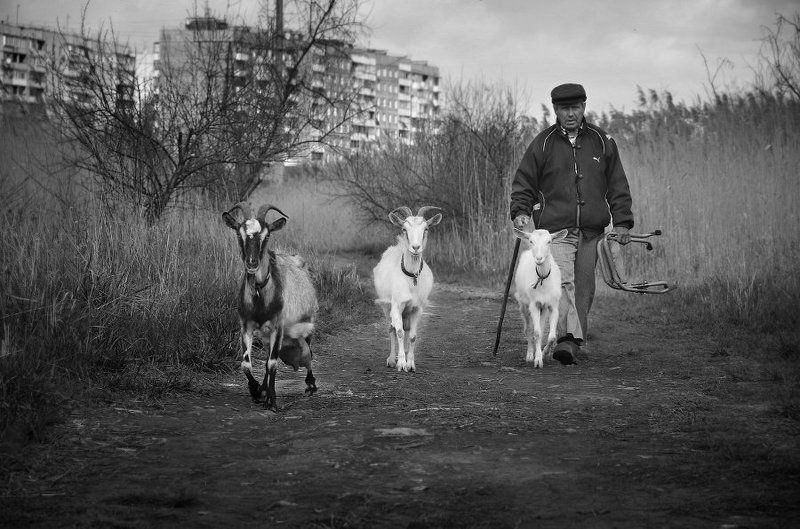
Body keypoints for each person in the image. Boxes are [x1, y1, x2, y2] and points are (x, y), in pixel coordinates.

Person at [510, 83, 634, 365]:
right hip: (557, 231)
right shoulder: (542, 144)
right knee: (563, 282)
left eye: (575, 108)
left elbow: (617, 184)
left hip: (592, 231)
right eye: (564, 108)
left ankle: (572, 339)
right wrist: (520, 210)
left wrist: (623, 222)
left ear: (584, 107)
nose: (570, 113)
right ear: (555, 109)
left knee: (584, 289)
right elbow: (524, 182)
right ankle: (567, 340)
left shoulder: (602, 141)